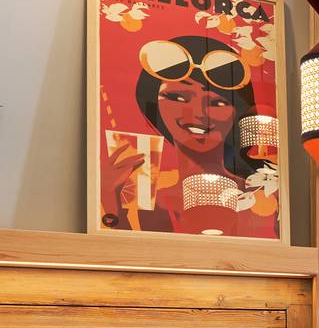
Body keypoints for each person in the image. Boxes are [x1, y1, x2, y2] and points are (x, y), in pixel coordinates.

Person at [101, 34, 280, 236]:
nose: (197, 113)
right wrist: (112, 205)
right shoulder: (152, 200)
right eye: (177, 97)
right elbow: (139, 262)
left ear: (236, 112)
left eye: (217, 103)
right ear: (154, 104)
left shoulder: (263, 195)